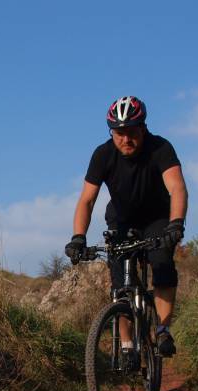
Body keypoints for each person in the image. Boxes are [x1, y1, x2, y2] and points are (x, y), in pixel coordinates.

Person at [65, 95, 188, 361]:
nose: (125, 139)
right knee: (120, 286)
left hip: (157, 219)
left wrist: (176, 224)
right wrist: (78, 237)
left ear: (143, 128)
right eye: (119, 133)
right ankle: (127, 345)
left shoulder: (160, 148)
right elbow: (87, 200)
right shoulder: (103, 154)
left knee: (162, 264)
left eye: (131, 132)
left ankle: (163, 330)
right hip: (121, 221)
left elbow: (177, 187)